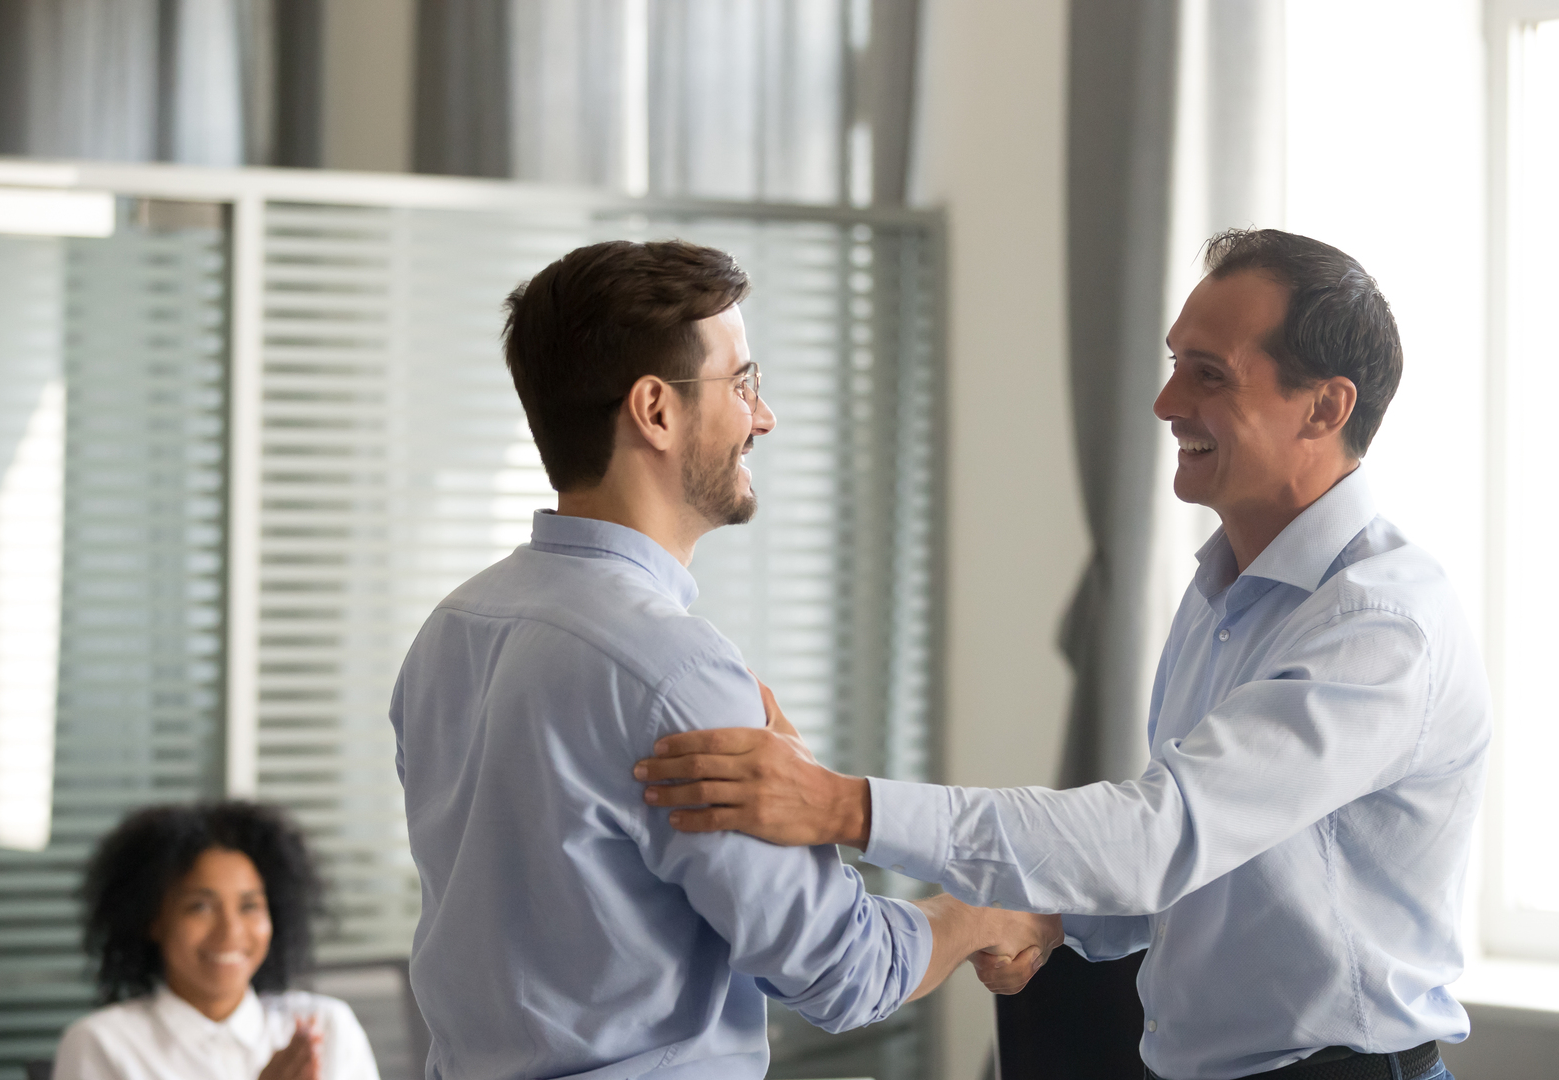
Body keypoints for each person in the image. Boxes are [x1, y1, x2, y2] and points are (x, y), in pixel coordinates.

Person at [636, 229, 1489, 1080]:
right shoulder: (1225, 587)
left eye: (1210, 374)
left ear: (1324, 408)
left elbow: (1160, 838)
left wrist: (846, 808)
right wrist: (1052, 920)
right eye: (1174, 362)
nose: (1165, 402)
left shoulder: (1379, 627)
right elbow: (1211, 867)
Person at [388, 239, 1060, 1080]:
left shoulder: (452, 630)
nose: (765, 416)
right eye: (742, 383)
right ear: (656, 410)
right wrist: (978, 915)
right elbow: (842, 972)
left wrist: (801, 804)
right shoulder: (672, 671)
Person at [54, 802, 380, 1080]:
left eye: (249, 906)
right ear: (152, 919)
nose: (231, 932)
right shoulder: (103, 1044)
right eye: (201, 907)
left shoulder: (324, 1027)